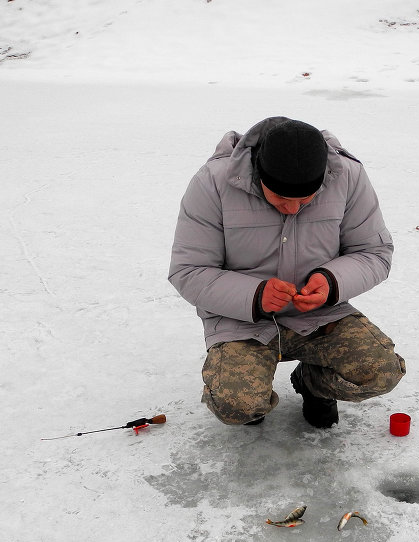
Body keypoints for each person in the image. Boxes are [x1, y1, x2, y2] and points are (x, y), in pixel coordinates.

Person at [169, 116, 405, 429]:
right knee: (238, 405)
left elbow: (374, 252)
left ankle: (312, 383)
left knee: (382, 371)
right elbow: (189, 270)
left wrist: (331, 282)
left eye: (305, 198)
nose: (293, 208)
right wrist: (254, 296)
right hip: (242, 321)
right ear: (258, 175)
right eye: (281, 197)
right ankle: (255, 402)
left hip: (320, 315)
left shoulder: (347, 176)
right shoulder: (214, 182)